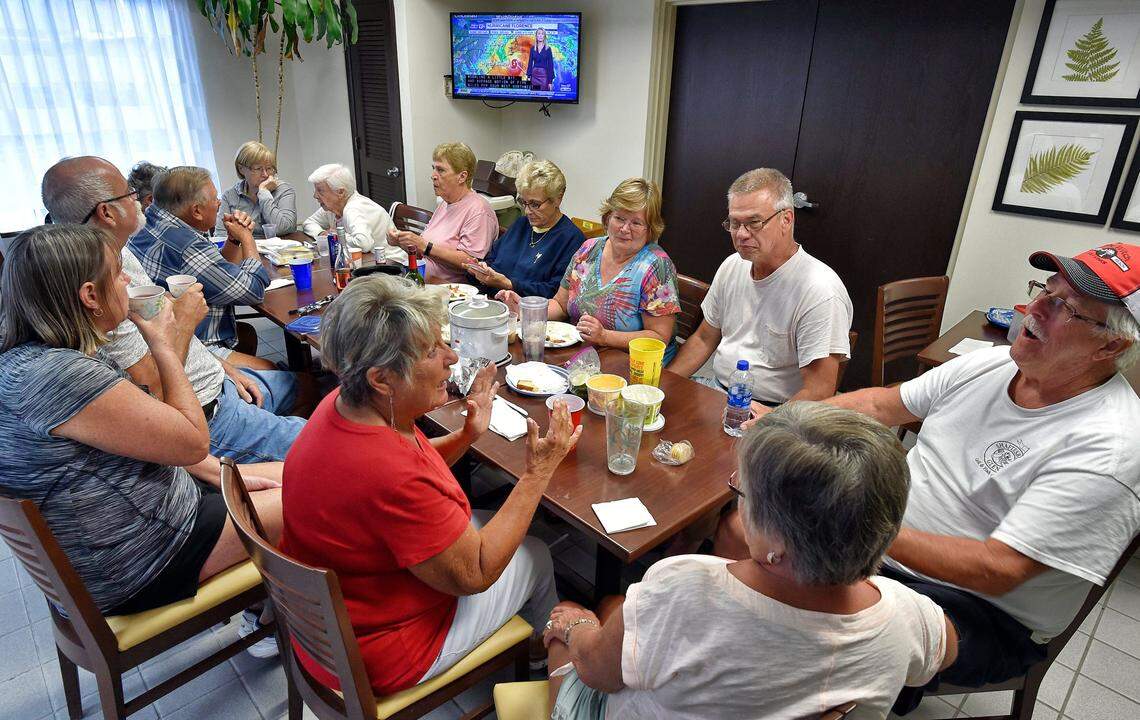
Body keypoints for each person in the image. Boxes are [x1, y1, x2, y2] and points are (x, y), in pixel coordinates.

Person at [722, 243, 1140, 714]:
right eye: (1046, 290)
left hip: (983, 610)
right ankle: (732, 667)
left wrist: (852, 527)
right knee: (739, 530)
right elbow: (880, 404)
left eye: (1066, 307)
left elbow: (998, 570)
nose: (1037, 308)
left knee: (840, 622)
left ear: (1112, 345)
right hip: (883, 542)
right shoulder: (993, 363)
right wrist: (783, 420)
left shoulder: (1110, 445)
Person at [541, 402, 957, 718]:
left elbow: (596, 671)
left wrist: (577, 627)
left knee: (571, 618)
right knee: (617, 610)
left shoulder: (684, 585)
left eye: (744, 495)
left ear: (778, 543)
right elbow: (946, 648)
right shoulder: (907, 613)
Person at [280, 275, 580, 694]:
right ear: (382, 379)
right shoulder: (388, 473)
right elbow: (476, 572)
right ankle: (549, 663)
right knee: (536, 553)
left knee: (498, 523)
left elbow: (410, 471)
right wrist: (538, 472)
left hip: (344, 613)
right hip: (383, 650)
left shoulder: (344, 404)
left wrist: (466, 436)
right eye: (430, 351)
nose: (452, 357)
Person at [0, 225, 283, 618]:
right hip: (143, 558)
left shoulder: (30, 358)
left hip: (140, 526)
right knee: (316, 497)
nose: (128, 282)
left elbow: (156, 437)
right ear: (90, 295)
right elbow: (192, 441)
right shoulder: (60, 376)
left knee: (298, 471)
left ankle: (273, 610)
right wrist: (163, 341)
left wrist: (222, 473)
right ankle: (300, 628)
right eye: (118, 273)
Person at [41, 157, 307, 470]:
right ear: (107, 213)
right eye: (129, 194)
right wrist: (185, 321)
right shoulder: (100, 285)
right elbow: (153, 389)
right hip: (207, 411)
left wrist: (219, 365)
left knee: (304, 385)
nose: (141, 200)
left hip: (213, 378)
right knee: (322, 439)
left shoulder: (118, 249)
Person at [669, 168, 852, 406]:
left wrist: (770, 421)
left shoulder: (820, 290)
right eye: (735, 223)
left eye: (754, 223)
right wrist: (662, 383)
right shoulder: (732, 265)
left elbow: (819, 390)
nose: (741, 234)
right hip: (719, 389)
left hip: (775, 408)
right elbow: (704, 338)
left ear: (787, 219)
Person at [497, 177, 681, 361]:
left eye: (636, 223)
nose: (625, 228)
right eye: (619, 218)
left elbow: (659, 337)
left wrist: (605, 336)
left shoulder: (656, 266)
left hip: (634, 365)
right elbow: (560, 305)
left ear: (650, 228)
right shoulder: (588, 249)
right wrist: (526, 310)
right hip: (583, 356)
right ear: (608, 217)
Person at [129, 166, 275, 370]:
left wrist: (233, 240)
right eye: (215, 199)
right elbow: (254, 290)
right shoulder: (187, 245)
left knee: (246, 335)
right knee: (283, 373)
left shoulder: (151, 224)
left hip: (162, 337)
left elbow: (216, 271)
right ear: (196, 211)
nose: (219, 203)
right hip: (191, 346)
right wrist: (247, 238)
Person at [464, 160, 584, 298]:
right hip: (490, 301)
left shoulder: (572, 240)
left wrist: (509, 284)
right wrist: (480, 270)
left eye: (535, 204)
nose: (527, 211)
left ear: (558, 199)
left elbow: (555, 293)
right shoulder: (521, 224)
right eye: (523, 202)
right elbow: (492, 259)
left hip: (527, 309)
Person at [387, 142, 498, 283]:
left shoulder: (479, 211)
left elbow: (471, 263)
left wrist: (425, 246)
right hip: (423, 280)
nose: (433, 175)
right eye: (433, 168)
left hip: (452, 289)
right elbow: (424, 253)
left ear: (462, 177)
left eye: (441, 170)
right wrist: (401, 242)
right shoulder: (445, 203)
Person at [301, 163, 404, 262]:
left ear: (340, 192)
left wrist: (335, 236)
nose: (315, 196)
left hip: (392, 263)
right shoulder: (333, 207)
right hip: (367, 261)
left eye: (320, 190)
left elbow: (363, 244)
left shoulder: (354, 208)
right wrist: (321, 233)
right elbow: (308, 223)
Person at [214, 140, 297, 237]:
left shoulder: (284, 190)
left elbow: (284, 228)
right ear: (241, 169)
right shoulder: (229, 196)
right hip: (241, 246)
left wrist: (264, 192)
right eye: (258, 169)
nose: (265, 174)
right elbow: (220, 235)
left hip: (277, 246)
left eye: (269, 168)